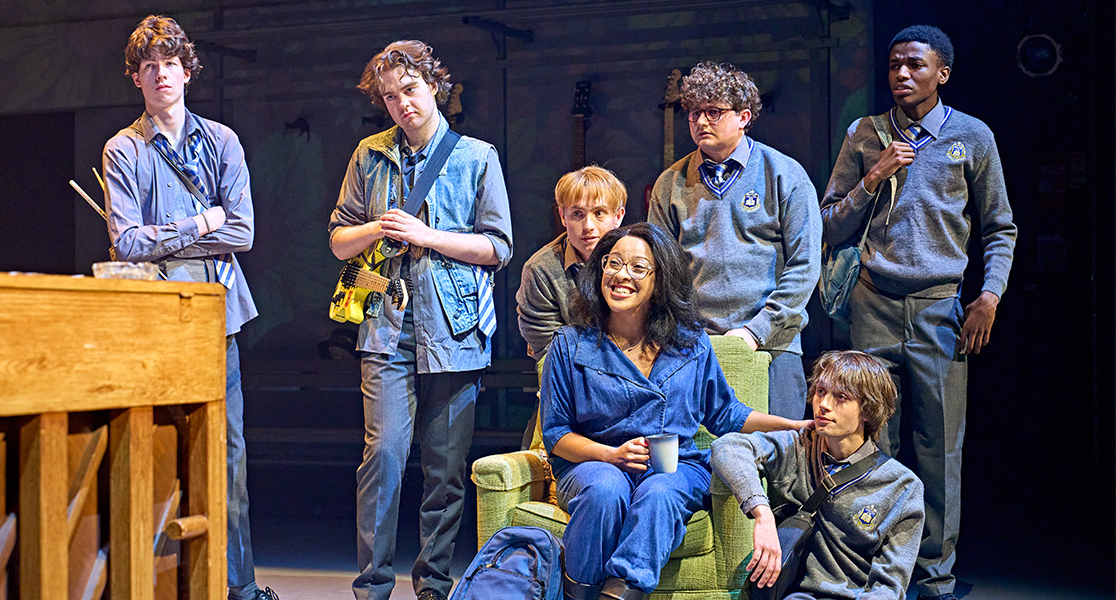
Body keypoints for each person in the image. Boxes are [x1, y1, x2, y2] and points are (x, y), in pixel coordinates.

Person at [820, 25, 1017, 600]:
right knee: (869, 444)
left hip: (939, 310)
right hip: (872, 305)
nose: (902, 74)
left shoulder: (971, 136)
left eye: (915, 65)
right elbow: (829, 223)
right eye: (893, 65)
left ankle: (933, 578)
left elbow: (999, 227)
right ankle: (872, 570)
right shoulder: (865, 134)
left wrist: (989, 296)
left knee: (939, 449)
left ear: (942, 73)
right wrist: (874, 176)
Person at [328, 40, 513, 600]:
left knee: (446, 468)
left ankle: (433, 584)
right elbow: (338, 240)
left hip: (455, 329)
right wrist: (379, 228)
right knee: (382, 459)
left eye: (410, 90)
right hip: (386, 326)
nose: (402, 103)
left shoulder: (476, 156)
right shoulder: (369, 155)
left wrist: (427, 236)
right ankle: (372, 587)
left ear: (434, 86)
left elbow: (498, 246)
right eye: (390, 96)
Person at [540, 222, 810, 600]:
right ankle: (578, 593)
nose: (621, 275)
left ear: (660, 280)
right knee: (605, 490)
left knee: (660, 491)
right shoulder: (570, 345)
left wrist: (793, 425)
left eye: (638, 267)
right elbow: (555, 433)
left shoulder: (690, 343)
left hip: (675, 464)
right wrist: (610, 455)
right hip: (594, 463)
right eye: (613, 263)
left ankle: (620, 593)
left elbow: (727, 414)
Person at [101, 15, 275, 600]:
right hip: (153, 320)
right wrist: (201, 224)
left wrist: (168, 237)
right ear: (136, 77)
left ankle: (239, 587)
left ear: (186, 71)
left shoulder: (223, 141)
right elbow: (126, 243)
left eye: (170, 64)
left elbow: (243, 232)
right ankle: (164, 583)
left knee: (228, 452)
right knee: (154, 447)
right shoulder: (123, 149)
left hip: (217, 316)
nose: (160, 75)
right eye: (149, 66)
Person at [649, 61, 821, 421]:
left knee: (778, 448)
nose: (701, 121)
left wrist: (756, 331)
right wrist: (683, 336)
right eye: (694, 112)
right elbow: (660, 271)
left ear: (744, 117)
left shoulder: (784, 174)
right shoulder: (670, 183)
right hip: (697, 347)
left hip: (773, 345)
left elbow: (805, 266)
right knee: (698, 449)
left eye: (713, 112)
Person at [711, 351, 925, 599]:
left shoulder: (902, 486)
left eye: (841, 397)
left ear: (867, 410)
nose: (824, 404)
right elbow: (727, 447)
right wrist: (762, 512)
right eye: (821, 391)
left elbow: (888, 588)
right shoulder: (796, 448)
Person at [516, 165, 627, 361]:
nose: (588, 226)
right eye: (577, 214)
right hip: (569, 367)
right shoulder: (541, 269)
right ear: (562, 217)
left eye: (599, 213)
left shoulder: (639, 259)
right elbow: (546, 345)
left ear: (617, 216)